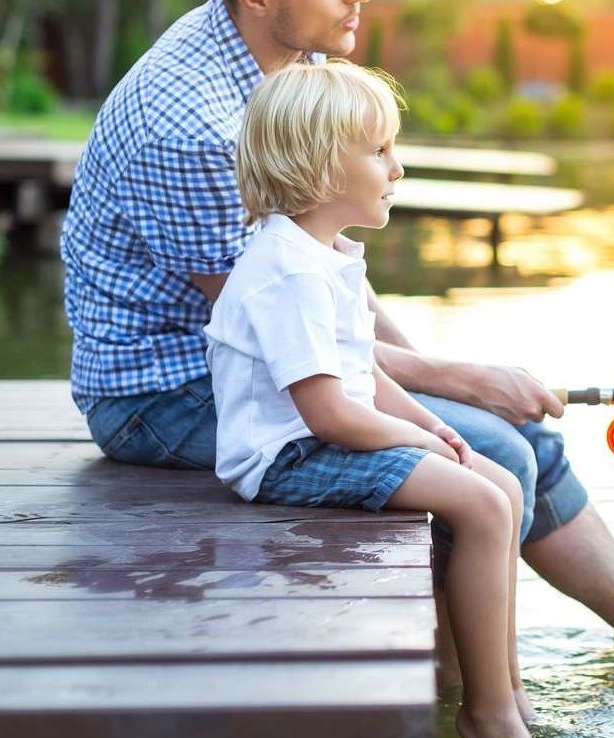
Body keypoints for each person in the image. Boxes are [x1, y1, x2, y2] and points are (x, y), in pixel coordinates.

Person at [58, 0, 614, 669]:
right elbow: (278, 328)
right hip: (166, 388)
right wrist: (458, 380)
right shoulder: (194, 130)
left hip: (273, 353)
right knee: (490, 449)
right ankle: (457, 692)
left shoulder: (293, 51)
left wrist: (453, 375)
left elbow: (331, 287)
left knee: (512, 432)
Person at [208, 61, 529, 737]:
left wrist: (434, 425)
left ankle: (501, 687)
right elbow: (327, 412)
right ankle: (489, 715)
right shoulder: (288, 270)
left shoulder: (327, 254)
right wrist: (413, 440)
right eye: (380, 151)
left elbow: (363, 374)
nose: (398, 168)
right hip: (286, 456)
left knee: (501, 484)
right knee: (481, 503)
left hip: (325, 435)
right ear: (321, 169)